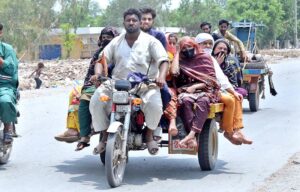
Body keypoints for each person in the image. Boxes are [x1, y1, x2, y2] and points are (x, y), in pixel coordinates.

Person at [89, 8, 169, 155]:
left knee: (155, 105)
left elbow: (163, 61)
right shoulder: (116, 41)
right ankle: (105, 138)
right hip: (117, 83)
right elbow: (102, 60)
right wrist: (98, 74)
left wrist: (161, 76)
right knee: (96, 101)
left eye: (134, 20)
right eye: (128, 20)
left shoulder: (151, 41)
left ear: (139, 22)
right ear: (124, 22)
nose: (131, 22)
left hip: (144, 84)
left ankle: (149, 135)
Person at [54, 27, 119, 147]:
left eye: (109, 38)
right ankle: (81, 133)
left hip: (118, 85)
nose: (105, 40)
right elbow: (91, 74)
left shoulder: (121, 51)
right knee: (79, 95)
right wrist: (91, 83)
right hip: (98, 84)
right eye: (103, 37)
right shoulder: (98, 53)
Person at [195, 33, 252, 145]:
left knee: (236, 97)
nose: (207, 46)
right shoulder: (193, 57)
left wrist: (233, 91)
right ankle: (229, 131)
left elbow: (222, 79)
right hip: (200, 90)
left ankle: (236, 129)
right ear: (197, 44)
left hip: (213, 89)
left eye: (209, 44)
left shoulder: (211, 58)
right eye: (204, 43)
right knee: (230, 99)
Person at [171, 37, 220, 147]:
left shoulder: (205, 58)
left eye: (189, 47)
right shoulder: (181, 60)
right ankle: (192, 137)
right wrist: (177, 52)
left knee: (203, 101)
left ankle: (191, 135)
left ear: (195, 46)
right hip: (186, 91)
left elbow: (212, 80)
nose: (187, 50)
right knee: (185, 101)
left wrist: (196, 86)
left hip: (205, 89)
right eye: (184, 48)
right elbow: (174, 72)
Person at [0, 23, 19, 144]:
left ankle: (7, 130)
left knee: (5, 101)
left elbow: (11, 70)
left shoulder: (7, 49)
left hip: (4, 86)